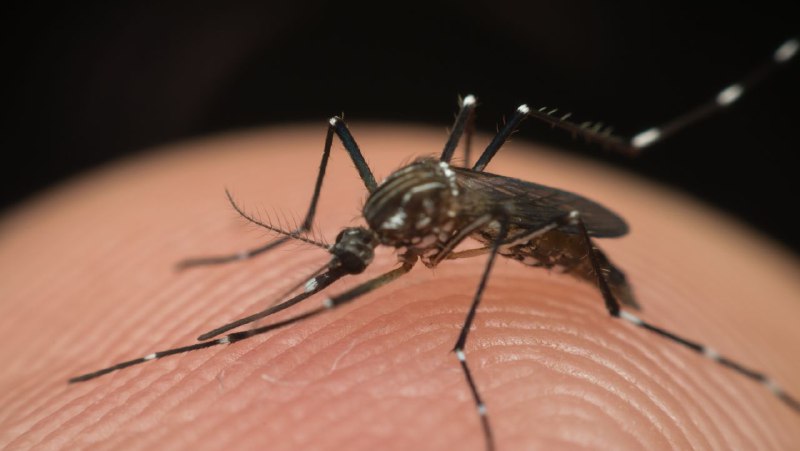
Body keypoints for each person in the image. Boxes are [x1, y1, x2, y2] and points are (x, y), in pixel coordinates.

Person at [1, 124, 798, 449]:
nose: (347, 259)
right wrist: (261, 268)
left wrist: (462, 344)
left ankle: (649, 138)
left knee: (496, 131)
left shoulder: (418, 227)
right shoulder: (382, 222)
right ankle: (238, 298)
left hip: (547, 232)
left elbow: (480, 224)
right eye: (351, 251)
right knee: (349, 124)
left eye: (350, 253)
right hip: (470, 212)